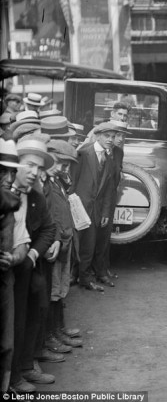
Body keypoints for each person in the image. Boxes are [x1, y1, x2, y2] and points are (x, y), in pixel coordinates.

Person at [10, 138, 58, 394]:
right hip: (7, 270)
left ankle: (23, 368)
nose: (34, 173)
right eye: (28, 165)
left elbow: (49, 228)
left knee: (30, 313)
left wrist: (32, 254)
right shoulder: (5, 192)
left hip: (26, 270)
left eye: (38, 168)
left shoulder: (36, 197)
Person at [43, 140, 83, 350]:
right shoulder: (47, 185)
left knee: (60, 289)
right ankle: (51, 336)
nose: (63, 169)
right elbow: (50, 217)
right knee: (53, 291)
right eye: (61, 163)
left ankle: (58, 330)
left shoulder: (56, 181)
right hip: (55, 244)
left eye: (67, 166)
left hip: (64, 241)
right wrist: (57, 239)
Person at [70, 122, 118, 292]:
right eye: (107, 136)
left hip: (96, 211)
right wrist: (72, 206)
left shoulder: (109, 158)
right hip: (79, 207)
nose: (111, 140)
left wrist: (105, 212)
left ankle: (85, 278)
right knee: (75, 243)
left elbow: (108, 190)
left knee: (89, 246)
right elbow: (72, 182)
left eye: (113, 137)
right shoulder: (83, 153)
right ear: (97, 136)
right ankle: (74, 276)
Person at [0, 138, 28, 394]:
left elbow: (22, 242)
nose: (9, 178)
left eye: (12, 171)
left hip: (4, 280)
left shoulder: (12, 206)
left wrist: (15, 257)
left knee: (5, 344)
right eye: (2, 171)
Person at [93, 120, 129, 286]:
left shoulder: (119, 153)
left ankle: (102, 269)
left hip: (110, 198)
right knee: (90, 235)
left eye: (122, 135)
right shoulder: (96, 151)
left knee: (105, 236)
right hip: (94, 199)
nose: (120, 139)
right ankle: (85, 272)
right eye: (117, 135)